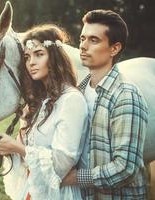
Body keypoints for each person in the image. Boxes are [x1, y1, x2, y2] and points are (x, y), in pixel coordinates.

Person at [0, 24, 89, 200]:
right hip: (32, 190)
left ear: (55, 57)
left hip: (57, 193)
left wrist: (16, 147)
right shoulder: (38, 102)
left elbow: (61, 164)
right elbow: (29, 153)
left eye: (39, 54)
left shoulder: (71, 100)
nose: (31, 62)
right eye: (27, 57)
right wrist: (4, 145)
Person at [61, 9, 149, 199]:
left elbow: (125, 169)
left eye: (94, 40)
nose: (83, 46)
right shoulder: (78, 92)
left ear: (114, 48)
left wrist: (74, 178)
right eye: (82, 38)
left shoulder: (126, 96)